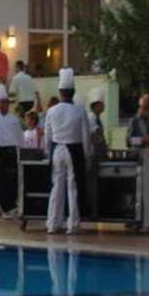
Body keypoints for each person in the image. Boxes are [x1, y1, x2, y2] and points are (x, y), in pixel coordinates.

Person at [43, 68, 87, 235]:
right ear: (73, 92)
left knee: (56, 187)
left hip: (57, 150)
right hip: (74, 150)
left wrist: (48, 152)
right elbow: (85, 137)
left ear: (60, 92)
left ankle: (53, 223)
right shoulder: (80, 111)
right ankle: (72, 224)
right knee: (72, 187)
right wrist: (87, 154)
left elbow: (47, 136)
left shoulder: (51, 111)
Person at [0, 85, 23, 218]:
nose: (2, 105)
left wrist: (21, 151)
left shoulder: (14, 119)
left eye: (4, 102)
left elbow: (19, 137)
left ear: (8, 104)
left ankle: (13, 205)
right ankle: (5, 208)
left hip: (12, 151)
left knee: (13, 180)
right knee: (2, 181)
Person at [87, 92, 109, 161]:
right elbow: (97, 135)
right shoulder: (91, 118)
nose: (104, 106)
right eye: (102, 104)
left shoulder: (98, 119)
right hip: (94, 154)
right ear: (97, 105)